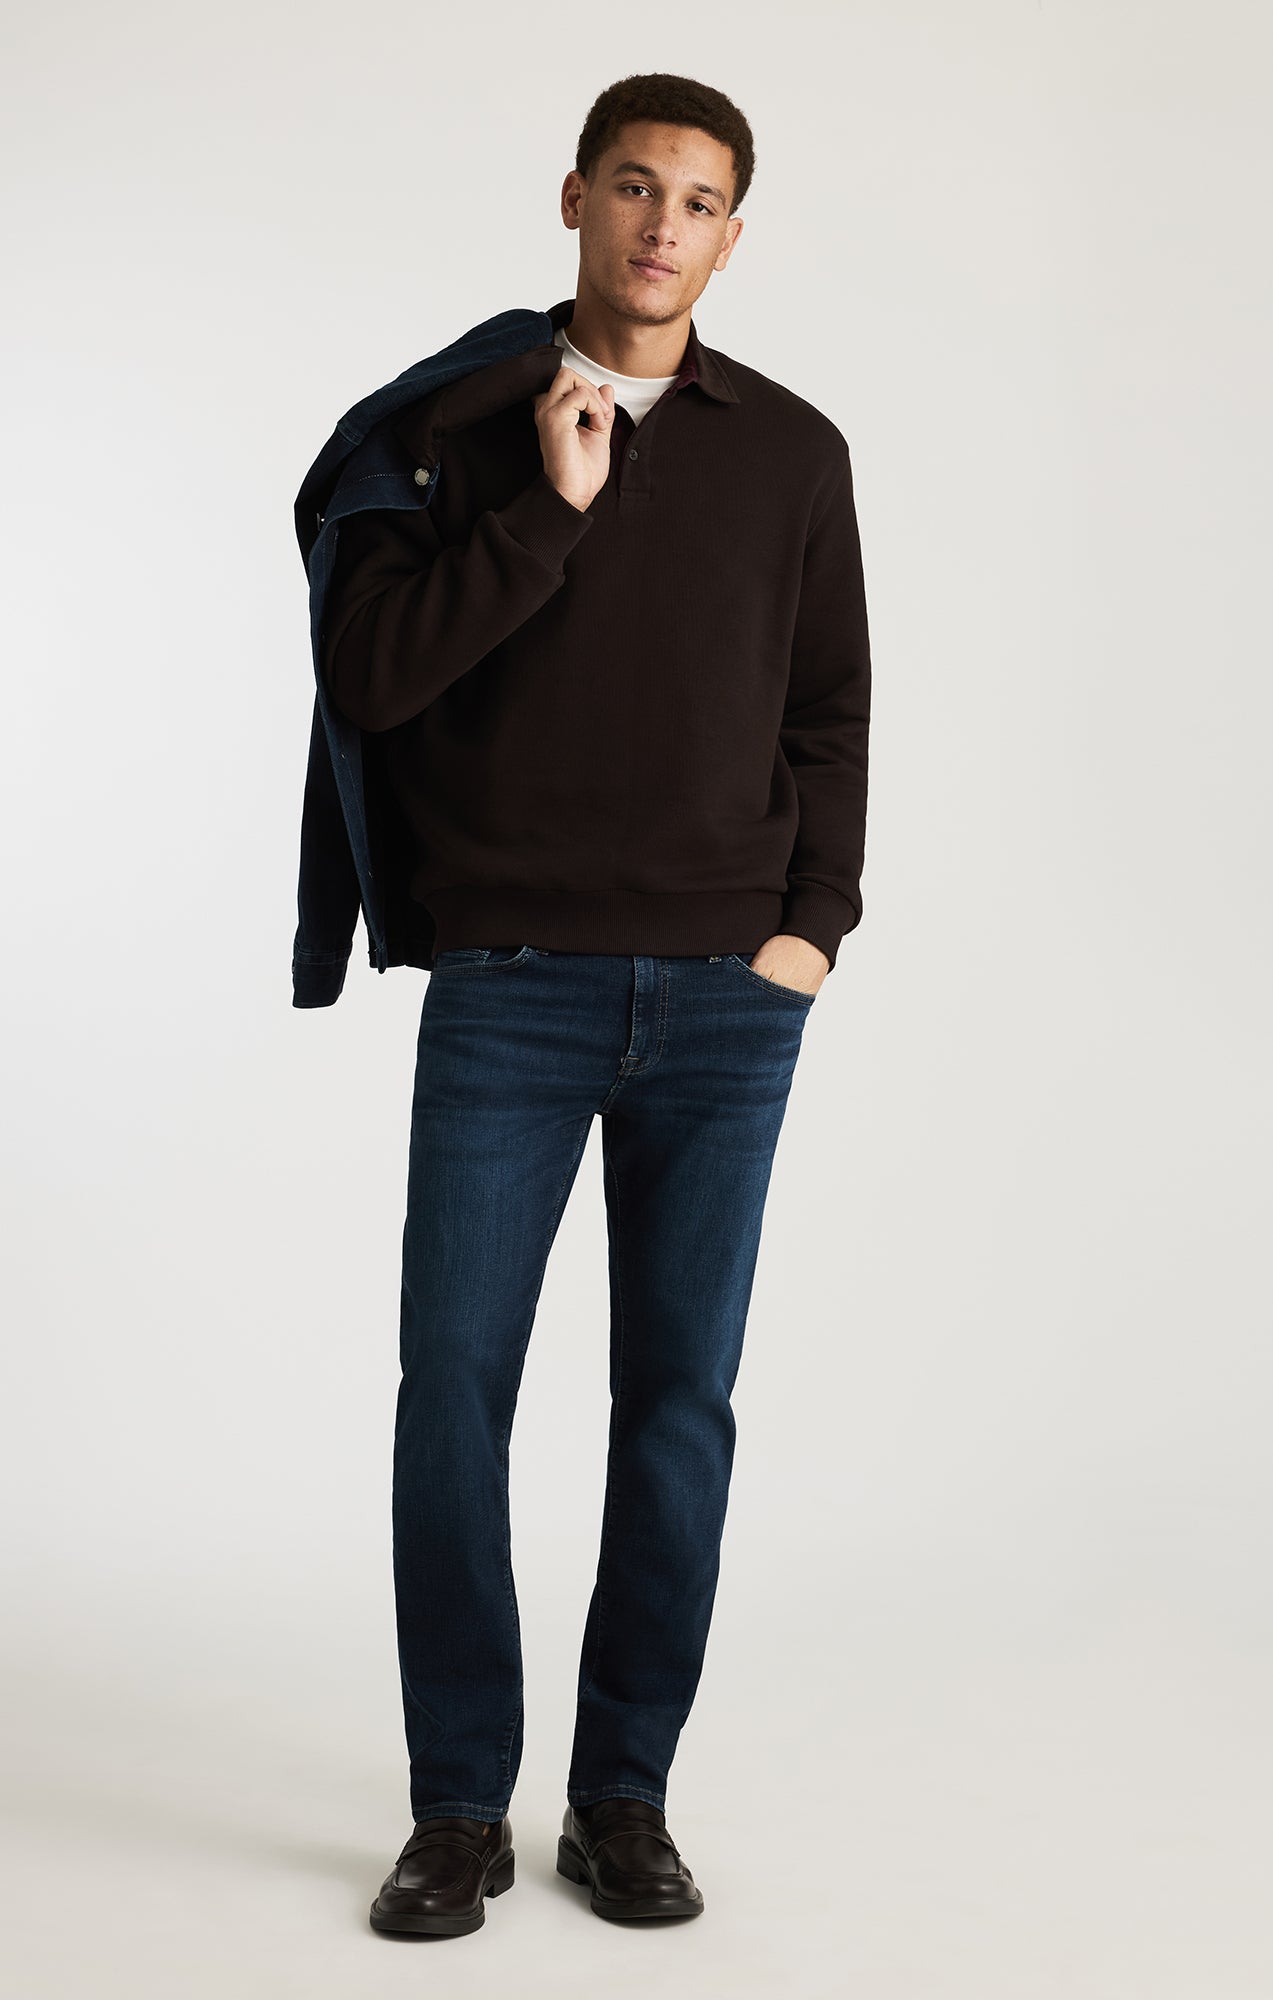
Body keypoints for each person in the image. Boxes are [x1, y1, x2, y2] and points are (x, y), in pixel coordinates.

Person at [320, 71, 872, 1936]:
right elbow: (372, 679)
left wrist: (810, 930)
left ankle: (621, 1797)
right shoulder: (452, 433)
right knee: (454, 1393)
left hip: (727, 1002)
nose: (661, 225)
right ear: (574, 199)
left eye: (697, 201)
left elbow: (828, 713)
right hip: (511, 989)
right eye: (634, 187)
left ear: (731, 235)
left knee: (678, 1405)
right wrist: (544, 517)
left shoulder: (791, 454)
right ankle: (458, 1809)